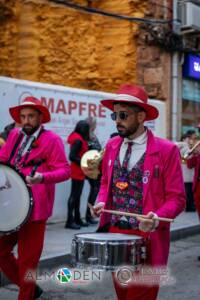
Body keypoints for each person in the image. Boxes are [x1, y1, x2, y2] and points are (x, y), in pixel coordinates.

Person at [92, 84, 186, 300]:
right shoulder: (113, 145)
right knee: (122, 296)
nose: (117, 120)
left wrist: (157, 219)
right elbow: (106, 182)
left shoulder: (166, 150)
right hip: (116, 235)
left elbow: (178, 198)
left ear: (141, 116)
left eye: (123, 115)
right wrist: (100, 201)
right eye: (114, 114)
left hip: (147, 238)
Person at [0, 96, 71, 300]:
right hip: (12, 206)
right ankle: (31, 290)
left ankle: (26, 294)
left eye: (31, 116)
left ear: (40, 117)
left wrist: (42, 178)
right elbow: (4, 159)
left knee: (27, 262)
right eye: (23, 116)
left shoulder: (53, 140)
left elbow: (64, 171)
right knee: (1, 252)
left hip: (36, 210)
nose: (26, 120)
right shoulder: (14, 135)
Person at [65, 120, 90, 229]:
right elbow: (72, 156)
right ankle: (69, 221)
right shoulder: (78, 141)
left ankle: (77, 219)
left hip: (79, 171)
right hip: (77, 172)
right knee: (74, 196)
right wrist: (84, 162)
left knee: (77, 196)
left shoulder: (77, 138)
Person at [85, 117, 102, 224]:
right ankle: (88, 215)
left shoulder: (92, 135)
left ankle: (89, 214)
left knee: (95, 190)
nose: (95, 126)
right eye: (94, 124)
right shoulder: (88, 136)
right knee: (94, 190)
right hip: (92, 169)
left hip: (96, 167)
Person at [177, 133, 196, 211]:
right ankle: (189, 207)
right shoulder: (185, 146)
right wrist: (193, 152)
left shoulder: (179, 146)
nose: (190, 140)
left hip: (183, 171)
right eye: (188, 138)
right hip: (187, 171)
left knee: (187, 190)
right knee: (189, 191)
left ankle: (187, 206)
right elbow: (187, 157)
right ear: (184, 139)